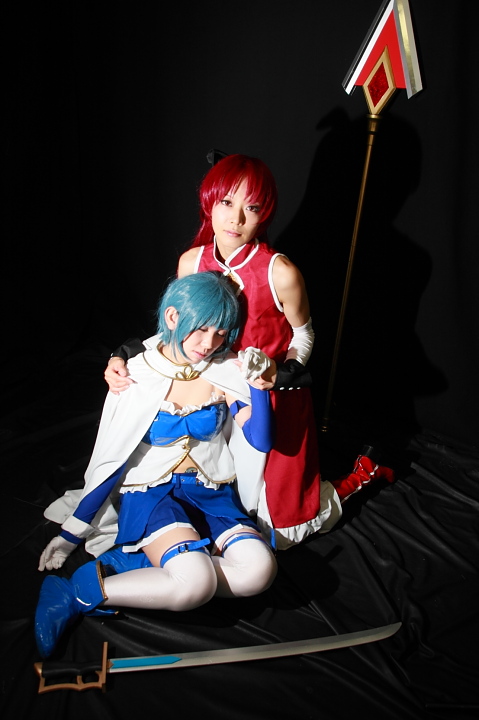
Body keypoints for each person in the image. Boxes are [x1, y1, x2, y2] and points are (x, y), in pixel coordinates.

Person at [104, 154, 394, 550]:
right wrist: (121, 355)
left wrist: (280, 372)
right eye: (227, 202)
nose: (236, 218)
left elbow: (304, 334)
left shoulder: (280, 272)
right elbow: (174, 331)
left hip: (267, 399)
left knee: (279, 530)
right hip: (209, 394)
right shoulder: (192, 262)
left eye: (252, 207)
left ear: (265, 214)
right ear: (209, 202)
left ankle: (361, 475)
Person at [35, 272, 278, 659]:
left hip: (210, 492)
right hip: (152, 494)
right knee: (194, 585)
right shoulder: (136, 374)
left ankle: (142, 560)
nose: (209, 344)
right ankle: (77, 591)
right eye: (201, 329)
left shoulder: (226, 369)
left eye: (220, 333)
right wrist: (71, 535)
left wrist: (259, 389)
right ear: (172, 317)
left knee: (259, 572)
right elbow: (112, 460)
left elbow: (260, 440)